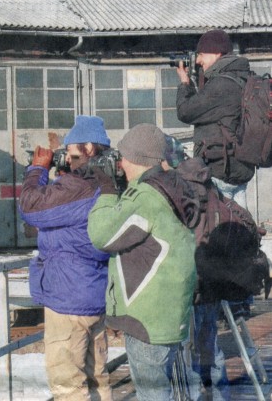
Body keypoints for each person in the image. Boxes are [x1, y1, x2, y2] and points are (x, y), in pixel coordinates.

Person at [87, 123, 199, 401]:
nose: (120, 163)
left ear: (135, 158)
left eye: (122, 156)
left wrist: (107, 190)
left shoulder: (146, 198)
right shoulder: (172, 186)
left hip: (148, 318)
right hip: (169, 314)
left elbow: (102, 235)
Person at [19, 115, 115, 401]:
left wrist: (38, 169)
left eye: (72, 154)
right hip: (94, 292)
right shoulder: (107, 181)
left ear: (89, 148)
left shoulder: (78, 186)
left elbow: (31, 206)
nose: (68, 160)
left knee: (68, 386)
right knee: (97, 379)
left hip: (68, 299)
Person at [164, 136, 230, 400]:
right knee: (211, 346)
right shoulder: (210, 184)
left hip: (187, 283)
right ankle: (222, 395)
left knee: (186, 352)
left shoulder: (174, 188)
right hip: (212, 280)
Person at [175, 29, 255, 209]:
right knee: (241, 222)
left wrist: (185, 84)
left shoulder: (221, 84)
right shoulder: (244, 78)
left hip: (220, 173)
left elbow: (186, 112)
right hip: (241, 169)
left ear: (217, 53)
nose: (198, 60)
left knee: (221, 224)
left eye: (201, 54)